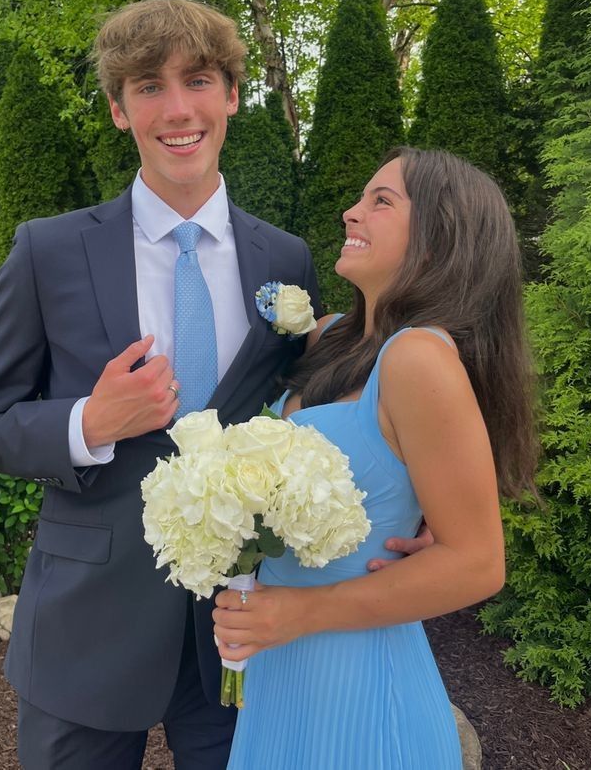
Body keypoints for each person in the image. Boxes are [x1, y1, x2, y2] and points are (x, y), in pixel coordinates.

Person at [0, 0, 322, 769]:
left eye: (198, 80)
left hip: (238, 636)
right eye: (150, 86)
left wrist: (402, 505)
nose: (178, 108)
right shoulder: (47, 253)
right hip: (85, 631)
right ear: (119, 110)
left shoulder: (286, 260)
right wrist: (88, 421)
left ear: (232, 96)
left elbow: (311, 409)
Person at [213, 147, 539, 769]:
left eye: (381, 201)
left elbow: (478, 564)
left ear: (442, 238)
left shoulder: (418, 358)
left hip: (360, 684)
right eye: (361, 197)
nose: (350, 212)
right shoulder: (334, 337)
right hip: (280, 671)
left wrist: (300, 612)